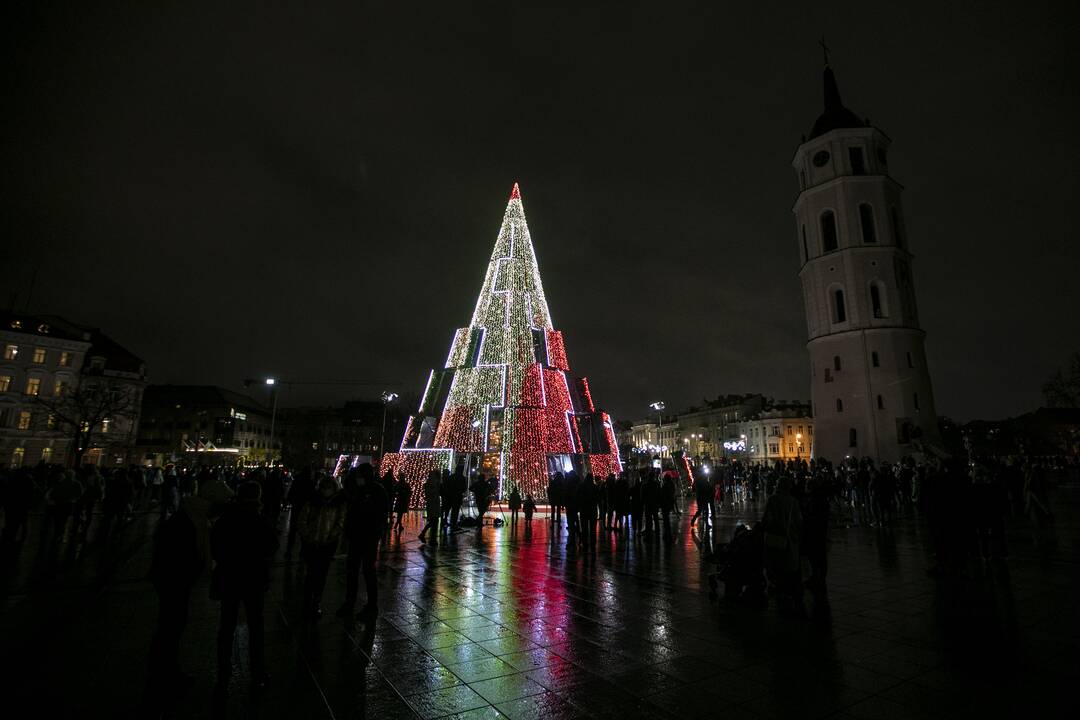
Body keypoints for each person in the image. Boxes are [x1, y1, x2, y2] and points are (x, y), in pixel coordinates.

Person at [211, 482, 278, 695]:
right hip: (253, 579)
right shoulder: (259, 520)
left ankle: (222, 673)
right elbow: (272, 546)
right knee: (256, 626)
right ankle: (257, 673)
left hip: (230, 578)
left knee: (226, 626)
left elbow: (215, 546)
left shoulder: (225, 519)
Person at [146, 496, 204, 705]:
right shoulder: (184, 526)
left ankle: (160, 670)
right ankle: (163, 672)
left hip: (168, 581)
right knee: (171, 627)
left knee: (169, 627)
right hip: (174, 582)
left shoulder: (177, 523)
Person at [338, 464, 388, 622]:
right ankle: (349, 602)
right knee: (352, 570)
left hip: (368, 537)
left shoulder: (377, 491)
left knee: (368, 571)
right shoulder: (357, 490)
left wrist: (376, 531)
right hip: (356, 536)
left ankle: (372, 605)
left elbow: (380, 513)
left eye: (360, 475)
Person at [298, 475, 346, 618]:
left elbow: (341, 521)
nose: (326, 491)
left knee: (322, 574)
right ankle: (307, 600)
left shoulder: (338, 503)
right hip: (311, 542)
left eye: (329, 488)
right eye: (324, 488)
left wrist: (333, 536)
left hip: (327, 544)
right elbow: (302, 519)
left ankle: (316, 601)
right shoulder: (312, 501)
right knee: (311, 572)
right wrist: (306, 535)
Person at [762, 475, 804, 617]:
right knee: (789, 568)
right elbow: (799, 522)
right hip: (789, 540)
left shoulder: (772, 500)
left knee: (776, 567)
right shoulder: (793, 502)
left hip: (775, 539)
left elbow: (766, 520)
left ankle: (779, 593)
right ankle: (788, 594)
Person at [284, 466, 316, 560]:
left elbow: (292, 492)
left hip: (297, 506)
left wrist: (289, 501)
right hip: (305, 508)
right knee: (304, 531)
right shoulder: (311, 482)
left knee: (293, 531)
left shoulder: (297, 480)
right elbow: (313, 496)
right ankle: (302, 551)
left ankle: (289, 550)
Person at [578, 474, 599, 551]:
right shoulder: (595, 487)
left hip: (584, 510)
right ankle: (593, 543)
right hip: (592, 510)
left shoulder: (581, 486)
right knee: (593, 528)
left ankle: (585, 542)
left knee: (584, 528)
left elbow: (578, 497)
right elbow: (597, 498)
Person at [418, 471, 441, 542]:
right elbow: (434, 492)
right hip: (433, 503)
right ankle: (430, 537)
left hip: (431, 503)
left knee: (433, 520)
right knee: (434, 520)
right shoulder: (435, 483)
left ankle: (425, 534)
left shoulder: (428, 483)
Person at [660, 472, 677, 543]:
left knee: (665, 519)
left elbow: (663, 494)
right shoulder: (672, 484)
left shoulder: (665, 485)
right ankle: (668, 533)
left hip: (665, 503)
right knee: (666, 518)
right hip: (670, 502)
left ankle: (667, 533)